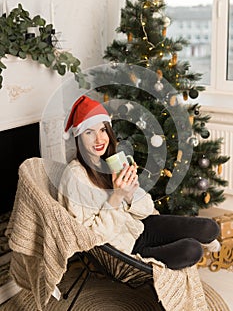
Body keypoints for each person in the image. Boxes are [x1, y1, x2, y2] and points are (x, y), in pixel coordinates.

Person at [58, 95, 220, 270]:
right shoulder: (75, 176)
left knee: (210, 228)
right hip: (124, 249)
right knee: (192, 250)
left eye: (103, 130)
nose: (99, 139)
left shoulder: (109, 162)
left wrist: (129, 195)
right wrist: (117, 197)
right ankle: (190, 246)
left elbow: (147, 210)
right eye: (89, 132)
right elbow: (90, 238)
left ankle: (207, 242)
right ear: (78, 136)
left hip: (140, 226)